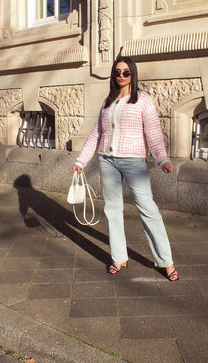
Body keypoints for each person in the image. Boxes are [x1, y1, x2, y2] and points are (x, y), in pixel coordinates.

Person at [72, 56, 179, 281]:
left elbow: (153, 132)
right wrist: (81, 161)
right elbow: (96, 134)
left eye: (126, 72)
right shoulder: (107, 101)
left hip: (133, 162)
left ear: (133, 74)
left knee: (147, 208)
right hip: (107, 161)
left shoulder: (143, 99)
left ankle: (165, 262)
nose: (121, 76)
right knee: (112, 210)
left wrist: (162, 159)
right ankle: (118, 257)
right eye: (117, 72)